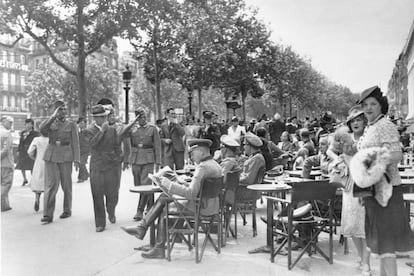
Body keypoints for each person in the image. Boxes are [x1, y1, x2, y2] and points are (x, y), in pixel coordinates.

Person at [121, 139, 222, 259]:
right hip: (211, 206)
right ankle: (148, 235)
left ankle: (154, 242)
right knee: (165, 198)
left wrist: (170, 184)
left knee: (165, 204)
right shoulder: (215, 164)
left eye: (192, 154)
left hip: (200, 207)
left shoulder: (202, 168)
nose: (191, 158)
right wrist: (182, 183)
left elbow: (191, 193)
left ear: (200, 152)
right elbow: (199, 189)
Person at [355, 86, 414, 276]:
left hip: (386, 192)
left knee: (387, 246)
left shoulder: (385, 125)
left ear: (381, 106)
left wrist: (371, 162)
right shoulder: (372, 126)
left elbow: (397, 154)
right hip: (374, 190)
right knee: (381, 246)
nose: (369, 108)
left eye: (373, 104)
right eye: (365, 105)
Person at [333, 107, 371, 275]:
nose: (356, 123)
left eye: (359, 120)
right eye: (353, 121)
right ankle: (361, 256)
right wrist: (338, 160)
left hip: (366, 184)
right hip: (349, 186)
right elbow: (330, 150)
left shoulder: (368, 139)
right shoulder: (345, 139)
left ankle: (366, 262)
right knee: (352, 223)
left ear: (364, 121)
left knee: (366, 225)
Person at [39, 100, 80, 224]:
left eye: (64, 109)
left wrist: (77, 159)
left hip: (66, 155)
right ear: (55, 111)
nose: (63, 112)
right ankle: (47, 215)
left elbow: (75, 142)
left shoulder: (71, 124)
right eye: (59, 109)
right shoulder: (50, 122)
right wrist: (52, 117)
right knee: (51, 185)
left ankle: (67, 210)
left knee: (66, 185)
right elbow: (42, 130)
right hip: (51, 155)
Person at [84, 105, 122, 232]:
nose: (105, 119)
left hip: (111, 165)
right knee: (97, 195)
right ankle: (100, 223)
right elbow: (92, 144)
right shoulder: (89, 130)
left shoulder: (112, 130)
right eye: (102, 117)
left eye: (105, 116)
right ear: (95, 118)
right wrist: (101, 131)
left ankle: (111, 210)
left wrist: (118, 160)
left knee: (112, 193)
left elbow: (117, 147)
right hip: (97, 166)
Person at [121, 109, 161, 221]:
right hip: (135, 158)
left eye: (144, 116)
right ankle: (150, 207)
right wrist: (132, 123)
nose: (142, 119)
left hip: (148, 159)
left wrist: (158, 162)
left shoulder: (152, 128)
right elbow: (122, 134)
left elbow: (157, 146)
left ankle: (140, 210)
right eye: (139, 117)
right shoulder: (132, 128)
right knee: (139, 185)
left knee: (146, 184)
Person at [238, 132, 266, 200]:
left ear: (249, 146)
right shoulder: (253, 157)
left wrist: (235, 179)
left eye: (244, 145)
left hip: (247, 191)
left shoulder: (257, 159)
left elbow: (249, 179)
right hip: (246, 189)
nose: (244, 147)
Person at [27, 132, 49, 212]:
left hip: (38, 162)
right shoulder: (50, 139)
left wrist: (34, 158)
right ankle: (47, 204)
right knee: (47, 183)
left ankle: (37, 198)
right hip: (48, 162)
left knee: (38, 182)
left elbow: (29, 151)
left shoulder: (36, 139)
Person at [16, 118, 39, 186]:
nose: (28, 125)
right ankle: (25, 179)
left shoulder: (35, 133)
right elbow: (21, 142)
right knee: (22, 166)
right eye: (26, 124)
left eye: (29, 124)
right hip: (23, 151)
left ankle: (33, 180)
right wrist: (18, 150)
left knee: (32, 166)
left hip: (31, 151)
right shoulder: (23, 133)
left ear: (32, 125)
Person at [1, 116, 14, 212]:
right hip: (6, 163)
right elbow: (6, 150)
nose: (11, 124)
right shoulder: (7, 134)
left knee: (2, 184)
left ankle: (5, 205)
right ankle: (2, 201)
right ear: (4, 122)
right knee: (7, 184)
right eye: (10, 122)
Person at [77, 117, 90, 183]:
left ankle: (81, 177)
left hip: (85, 150)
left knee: (82, 163)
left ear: (85, 124)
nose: (81, 124)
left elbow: (89, 141)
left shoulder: (87, 131)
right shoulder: (76, 132)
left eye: (83, 123)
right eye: (80, 123)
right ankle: (87, 174)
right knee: (80, 163)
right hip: (78, 150)